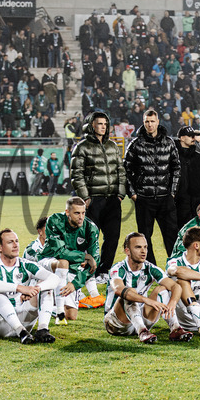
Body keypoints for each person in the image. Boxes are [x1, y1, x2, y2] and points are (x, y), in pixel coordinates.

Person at [103, 232, 193, 344]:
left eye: (145, 247)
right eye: (138, 247)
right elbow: (118, 289)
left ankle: (175, 329)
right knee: (130, 293)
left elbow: (175, 286)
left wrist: (172, 302)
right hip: (117, 323)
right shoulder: (118, 268)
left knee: (162, 290)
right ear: (127, 251)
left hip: (141, 318)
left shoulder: (150, 268)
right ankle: (142, 331)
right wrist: (146, 300)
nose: (143, 251)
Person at [0, 228, 60, 344]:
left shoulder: (26, 264)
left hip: (23, 319)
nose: (15, 245)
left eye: (16, 241)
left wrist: (36, 289)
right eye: (10, 242)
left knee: (46, 287)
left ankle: (42, 330)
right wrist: (19, 288)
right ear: (0, 247)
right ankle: (20, 331)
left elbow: (54, 278)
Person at [71, 111, 125, 277]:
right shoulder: (81, 147)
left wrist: (120, 194)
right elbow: (76, 174)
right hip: (93, 200)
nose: (103, 127)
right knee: (90, 238)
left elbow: (121, 171)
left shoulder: (113, 146)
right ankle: (88, 270)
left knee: (113, 237)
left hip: (113, 200)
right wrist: (86, 197)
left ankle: (103, 270)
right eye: (99, 124)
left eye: (105, 124)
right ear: (91, 126)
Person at [123, 109, 180, 264]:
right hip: (144, 199)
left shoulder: (169, 142)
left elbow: (176, 168)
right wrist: (133, 194)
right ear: (143, 123)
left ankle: (175, 268)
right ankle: (150, 269)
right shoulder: (135, 144)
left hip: (165, 198)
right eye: (147, 121)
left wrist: (172, 192)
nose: (149, 124)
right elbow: (125, 171)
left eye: (152, 121)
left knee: (172, 236)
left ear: (158, 122)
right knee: (144, 238)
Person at [38, 196, 104, 323]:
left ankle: (48, 307)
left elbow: (94, 262)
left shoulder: (91, 228)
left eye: (83, 213)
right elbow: (59, 252)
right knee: (63, 263)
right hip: (48, 261)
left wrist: (75, 284)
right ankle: (58, 311)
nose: (81, 217)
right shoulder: (54, 220)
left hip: (72, 268)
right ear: (67, 212)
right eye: (77, 213)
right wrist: (84, 256)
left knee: (71, 316)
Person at [174, 126, 200, 228]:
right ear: (182, 138)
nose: (193, 138)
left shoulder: (199, 157)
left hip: (197, 202)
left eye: (194, 136)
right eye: (190, 136)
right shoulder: (173, 156)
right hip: (178, 203)